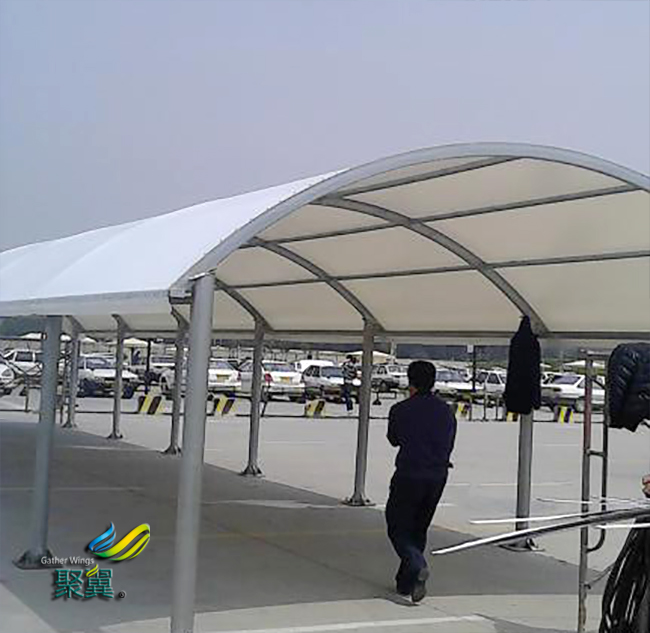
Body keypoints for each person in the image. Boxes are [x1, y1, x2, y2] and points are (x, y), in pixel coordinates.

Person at [385, 360, 457, 603]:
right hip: (437, 476)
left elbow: (394, 439)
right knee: (419, 527)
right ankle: (406, 583)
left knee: (397, 525)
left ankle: (417, 564)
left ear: (410, 381)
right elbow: (450, 442)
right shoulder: (446, 411)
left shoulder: (400, 409)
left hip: (409, 473)